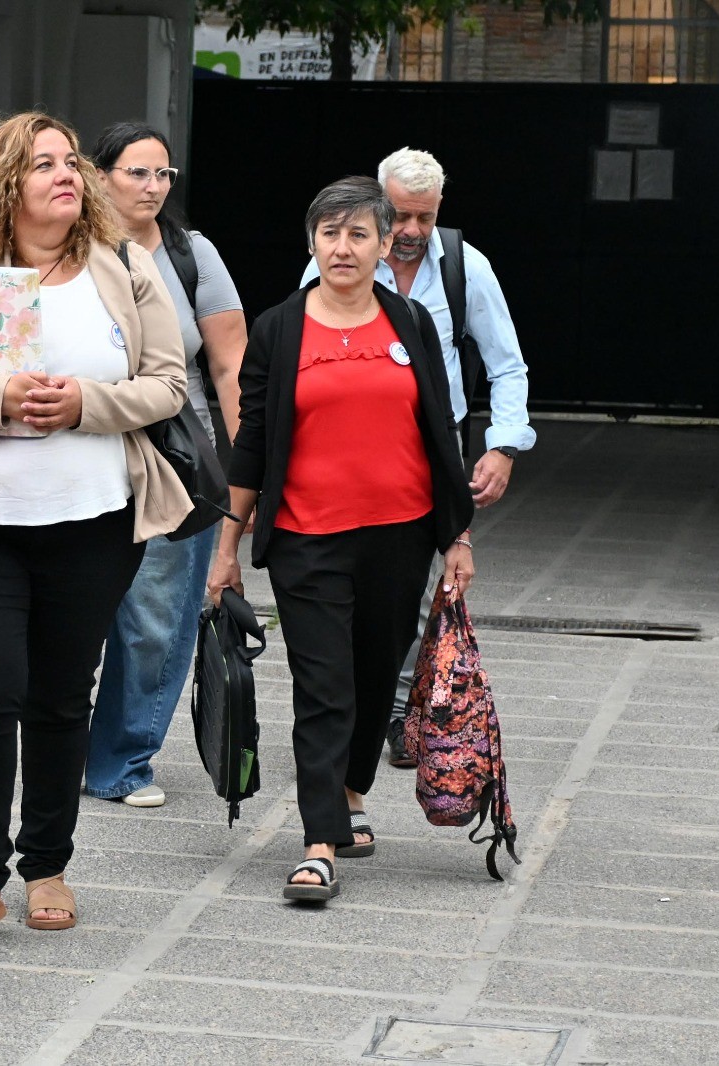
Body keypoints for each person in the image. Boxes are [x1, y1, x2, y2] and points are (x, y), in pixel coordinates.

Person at [0, 111, 192, 940]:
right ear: (6, 183)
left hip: (93, 522)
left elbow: (168, 383)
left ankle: (47, 865)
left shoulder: (123, 266)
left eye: (70, 160)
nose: (65, 173)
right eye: (42, 163)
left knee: (61, 697)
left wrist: (88, 404)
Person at [209, 176, 475, 903]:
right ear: (311, 243)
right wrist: (227, 545)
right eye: (330, 233)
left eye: (360, 233)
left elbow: (442, 431)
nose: (343, 247)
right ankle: (319, 839)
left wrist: (457, 534)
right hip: (306, 536)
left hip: (399, 533)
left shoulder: (413, 323)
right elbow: (253, 440)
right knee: (323, 685)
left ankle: (354, 790)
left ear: (387, 244)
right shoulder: (279, 328)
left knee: (374, 670)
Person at [302, 147, 533, 768]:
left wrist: (503, 444)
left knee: (424, 581)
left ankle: (402, 708)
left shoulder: (464, 267)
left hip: (437, 442)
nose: (410, 232)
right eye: (400, 216)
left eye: (424, 219)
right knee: (361, 583)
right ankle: (362, 702)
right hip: (350, 450)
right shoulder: (334, 262)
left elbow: (508, 364)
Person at [84, 122, 247, 809]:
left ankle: (122, 760)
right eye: (137, 173)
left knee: (156, 618)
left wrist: (247, 470)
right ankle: (58, 741)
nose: (152, 187)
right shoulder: (67, 249)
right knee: (69, 609)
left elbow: (230, 360)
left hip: (179, 456)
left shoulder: (191, 254)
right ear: (100, 176)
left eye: (162, 175)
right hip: (82, 446)